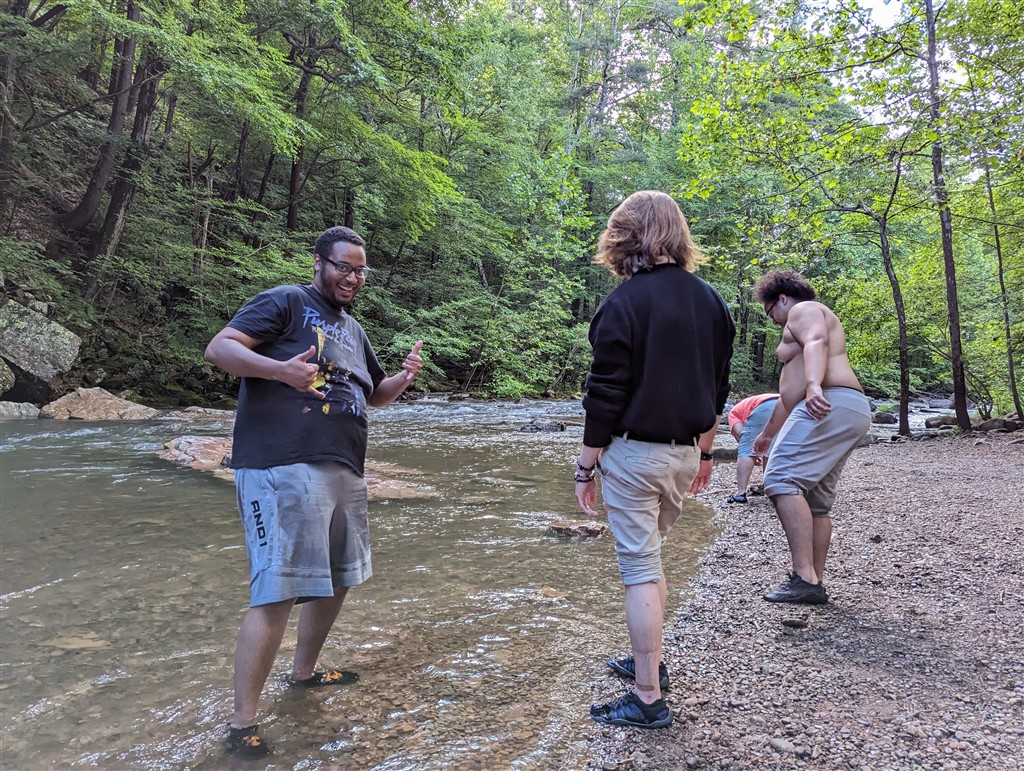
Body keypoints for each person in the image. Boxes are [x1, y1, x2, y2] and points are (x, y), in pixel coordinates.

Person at [204, 225, 423, 758]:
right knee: (277, 589)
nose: (353, 277)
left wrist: (402, 378)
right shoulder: (285, 301)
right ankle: (241, 723)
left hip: (344, 465)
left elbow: (375, 396)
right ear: (319, 262)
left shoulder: (353, 330)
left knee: (338, 580)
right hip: (281, 463)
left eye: (361, 270)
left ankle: (303, 674)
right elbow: (220, 348)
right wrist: (281, 371)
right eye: (344, 266)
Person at [574, 191, 734, 729]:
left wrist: (585, 466)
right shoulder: (712, 302)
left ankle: (647, 696)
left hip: (634, 454)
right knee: (652, 560)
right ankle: (652, 665)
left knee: (640, 570)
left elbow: (605, 394)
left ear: (624, 236)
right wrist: (706, 453)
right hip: (684, 454)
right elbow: (717, 389)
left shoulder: (622, 303)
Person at [752, 270, 870, 605]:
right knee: (816, 501)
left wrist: (816, 386)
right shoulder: (799, 326)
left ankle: (803, 578)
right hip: (846, 409)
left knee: (780, 480)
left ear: (783, 299)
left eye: (770, 311)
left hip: (828, 402)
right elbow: (789, 395)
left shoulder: (804, 310)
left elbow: (816, 340)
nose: (773, 320)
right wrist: (766, 434)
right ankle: (813, 580)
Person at [726, 393, 779, 503]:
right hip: (786, 406)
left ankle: (740, 493)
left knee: (746, 449)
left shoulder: (733, 412)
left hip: (765, 407)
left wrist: (752, 454)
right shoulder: (750, 402)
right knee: (771, 450)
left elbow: (740, 434)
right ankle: (771, 490)